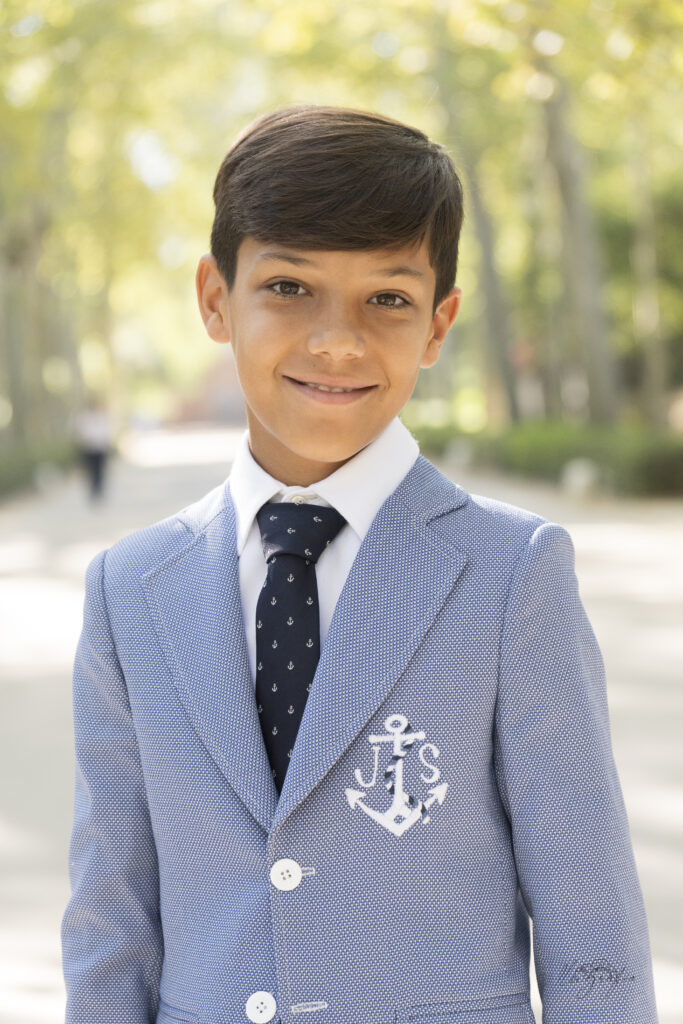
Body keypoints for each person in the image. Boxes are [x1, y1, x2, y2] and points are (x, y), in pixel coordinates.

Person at [60, 106, 659, 1024]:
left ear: (438, 324)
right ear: (215, 299)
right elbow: (112, 926)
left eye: (386, 299)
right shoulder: (130, 589)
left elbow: (593, 943)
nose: (336, 340)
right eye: (290, 287)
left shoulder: (511, 574)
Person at [72, 393, 113, 502]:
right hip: (89, 448)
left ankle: (99, 489)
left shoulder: (102, 416)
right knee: (91, 470)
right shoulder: (84, 417)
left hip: (100, 448)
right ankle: (92, 489)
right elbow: (80, 431)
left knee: (100, 470)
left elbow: (107, 431)